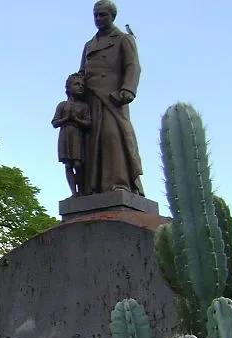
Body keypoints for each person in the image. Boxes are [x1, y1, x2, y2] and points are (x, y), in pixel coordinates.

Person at [78, 0, 145, 196]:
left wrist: (128, 89)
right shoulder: (89, 45)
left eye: (103, 15)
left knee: (113, 138)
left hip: (113, 97)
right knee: (91, 143)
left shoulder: (123, 39)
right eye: (96, 15)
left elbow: (133, 66)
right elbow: (82, 71)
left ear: (112, 16)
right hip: (90, 99)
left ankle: (120, 183)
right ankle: (94, 188)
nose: (98, 19)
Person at [52, 73, 92, 196]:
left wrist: (76, 120)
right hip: (65, 135)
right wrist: (65, 119)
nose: (80, 87)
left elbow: (88, 122)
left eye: (82, 85)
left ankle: (81, 189)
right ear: (69, 87)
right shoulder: (62, 105)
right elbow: (55, 122)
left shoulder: (84, 106)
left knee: (78, 163)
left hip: (77, 135)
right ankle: (73, 192)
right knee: (68, 165)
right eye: (77, 84)